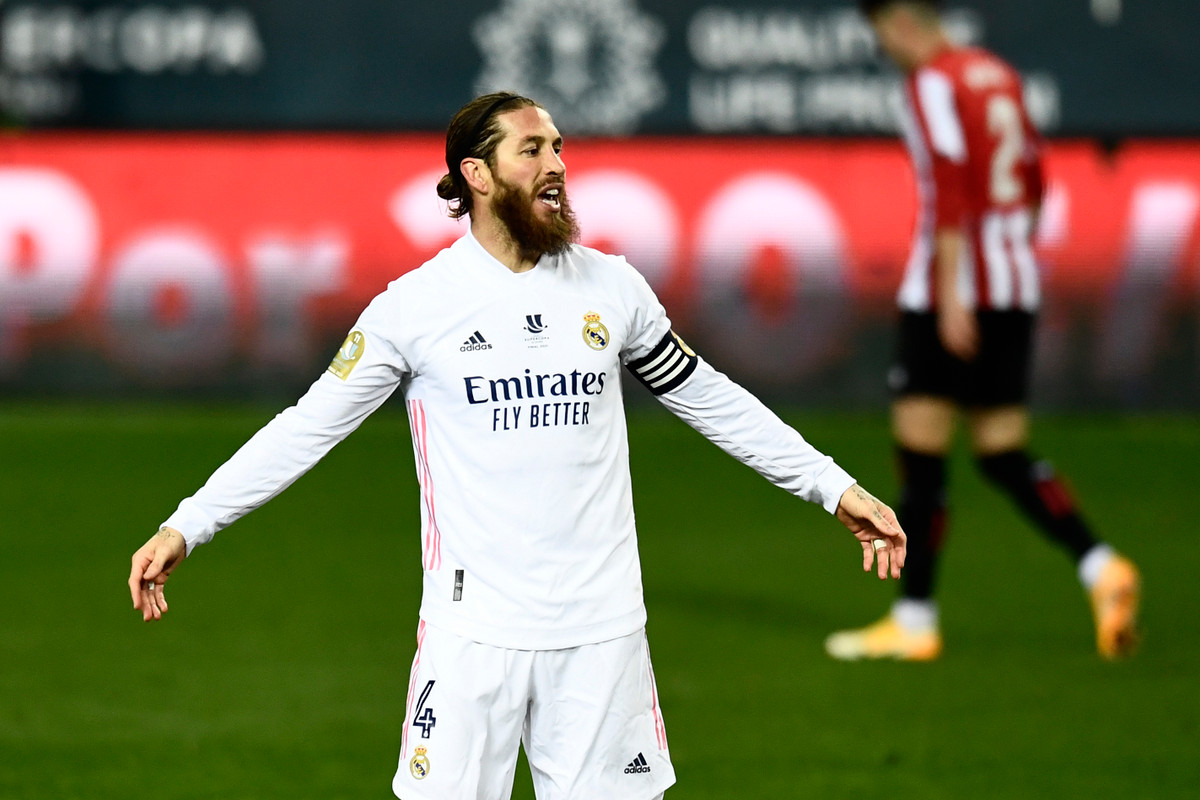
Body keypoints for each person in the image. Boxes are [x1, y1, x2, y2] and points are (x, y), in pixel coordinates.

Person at [129, 91, 907, 800]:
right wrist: (187, 524)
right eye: (532, 150)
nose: (558, 166)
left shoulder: (613, 288)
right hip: (473, 638)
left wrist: (832, 486)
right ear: (477, 173)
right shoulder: (417, 308)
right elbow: (307, 427)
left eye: (560, 148)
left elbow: (710, 398)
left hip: (602, 636)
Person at [825, 0, 1140, 663]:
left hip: (954, 289)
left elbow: (948, 187)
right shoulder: (995, 75)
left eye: (884, 36)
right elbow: (1033, 180)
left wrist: (950, 293)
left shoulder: (933, 81)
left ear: (903, 22)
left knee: (920, 452)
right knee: (1001, 449)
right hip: (1013, 284)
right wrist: (1011, 259)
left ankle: (914, 619)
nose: (888, 50)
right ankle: (1100, 565)